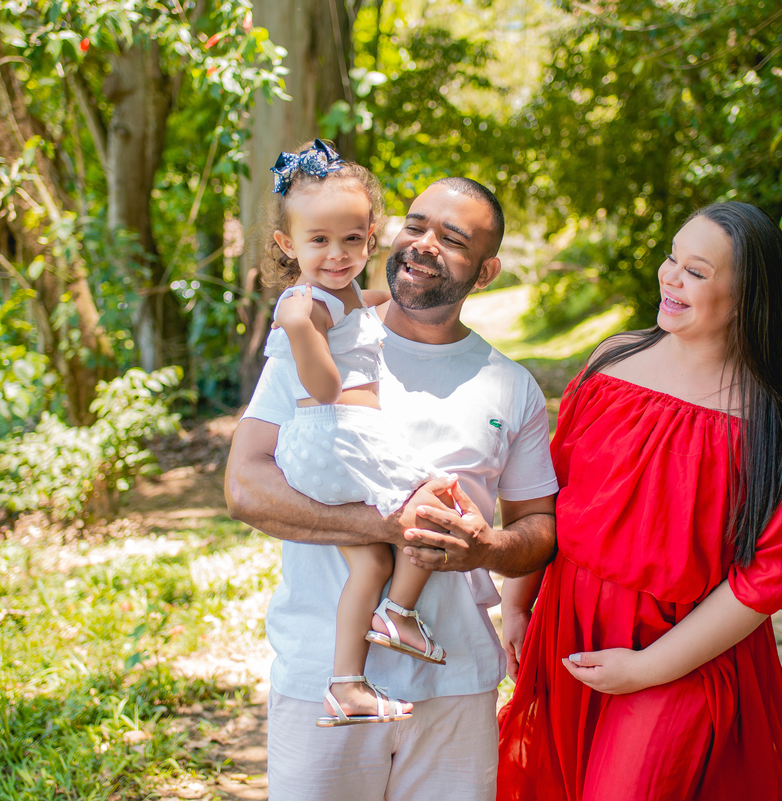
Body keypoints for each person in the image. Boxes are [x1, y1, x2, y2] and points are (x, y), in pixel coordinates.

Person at [225, 174, 559, 800]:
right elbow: (245, 486)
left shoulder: (512, 386)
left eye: (452, 239)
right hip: (319, 674)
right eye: (416, 225)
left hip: (456, 681)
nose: (425, 243)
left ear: (484, 273)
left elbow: (539, 528)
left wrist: (485, 549)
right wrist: (388, 524)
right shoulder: (321, 335)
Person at [496, 201, 782, 801]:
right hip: (572, 626)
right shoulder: (613, 362)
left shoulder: (769, 421)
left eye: (697, 271)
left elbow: (766, 578)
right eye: (672, 258)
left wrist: (648, 668)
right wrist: (518, 601)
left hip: (682, 654)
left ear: (747, 298)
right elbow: (551, 494)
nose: (671, 277)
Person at [260, 140, 459, 728]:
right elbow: (323, 387)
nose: (336, 254)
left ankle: (346, 685)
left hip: (324, 450)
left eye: (351, 239)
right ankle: (398, 613)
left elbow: (364, 306)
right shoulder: (306, 307)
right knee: (437, 500)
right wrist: (300, 331)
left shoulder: (340, 293)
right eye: (318, 240)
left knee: (370, 562)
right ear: (287, 244)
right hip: (338, 438)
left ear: (371, 238)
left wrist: (397, 298)